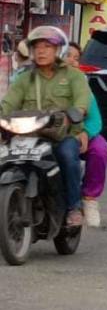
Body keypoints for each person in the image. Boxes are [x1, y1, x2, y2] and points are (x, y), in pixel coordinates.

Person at [1, 26, 90, 227]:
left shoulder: (73, 76)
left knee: (68, 156)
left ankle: (73, 208)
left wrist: (77, 111)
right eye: (37, 47)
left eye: (47, 46)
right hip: (28, 135)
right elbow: (8, 103)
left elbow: (82, 99)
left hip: (61, 136)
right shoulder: (24, 79)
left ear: (58, 50)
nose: (41, 51)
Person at [65, 43, 107, 227]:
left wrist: (85, 132)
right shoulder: (32, 78)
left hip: (75, 134)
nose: (72, 61)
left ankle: (89, 198)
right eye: (68, 56)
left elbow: (94, 119)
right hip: (42, 132)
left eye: (76, 58)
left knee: (99, 149)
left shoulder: (81, 84)